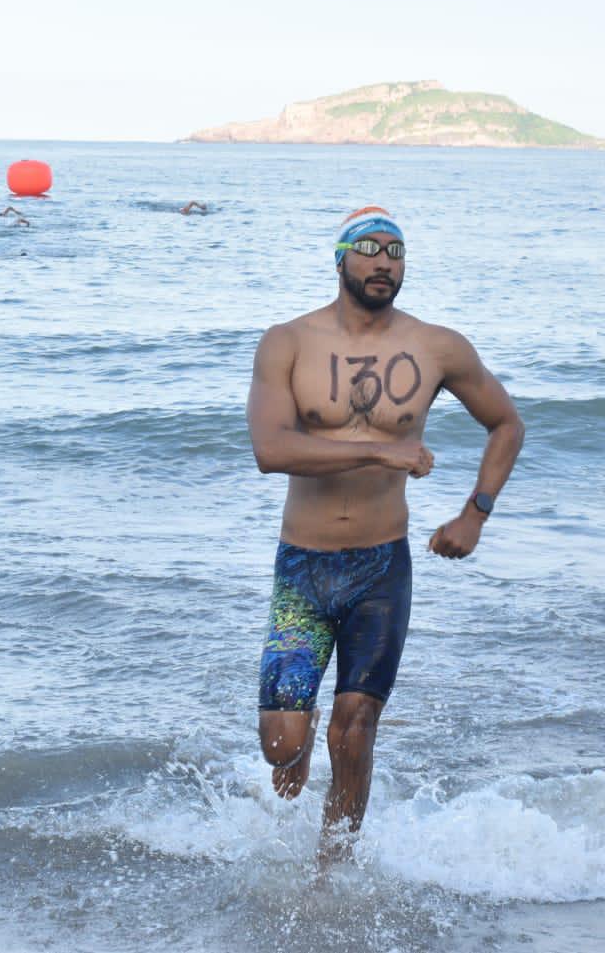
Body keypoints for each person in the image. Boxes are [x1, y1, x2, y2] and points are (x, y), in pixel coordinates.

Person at [246, 205, 524, 862]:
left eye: (395, 251)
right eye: (369, 248)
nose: (384, 262)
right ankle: (298, 753)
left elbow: (507, 423)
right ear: (340, 257)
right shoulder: (288, 342)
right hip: (303, 570)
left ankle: (331, 871)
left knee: (356, 728)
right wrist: (379, 450)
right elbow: (270, 447)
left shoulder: (437, 347)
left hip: (381, 569)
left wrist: (474, 513)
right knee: (283, 746)